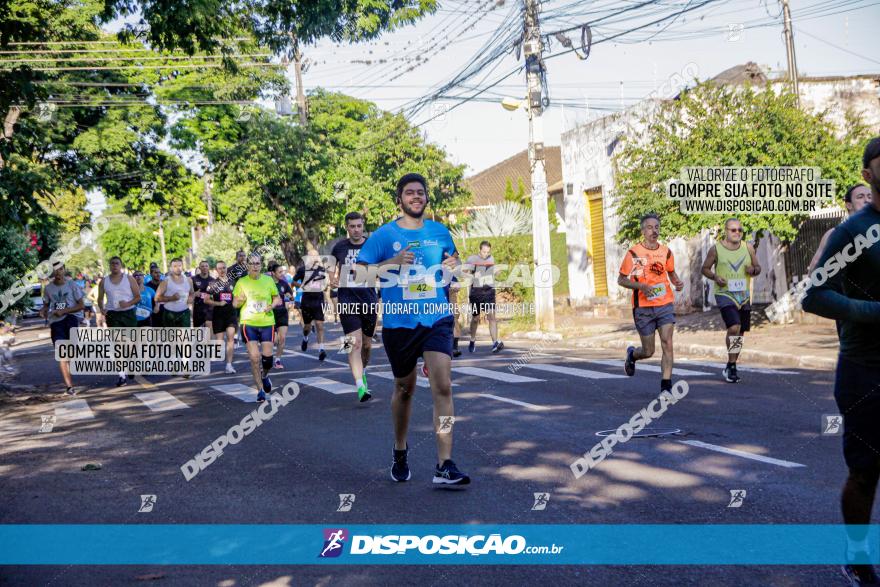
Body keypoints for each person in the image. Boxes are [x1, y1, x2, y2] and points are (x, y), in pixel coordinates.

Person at [357, 172, 470, 486]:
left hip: (436, 317)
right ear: (400, 200)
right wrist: (392, 261)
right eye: (410, 193)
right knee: (404, 390)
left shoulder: (440, 231)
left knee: (443, 386)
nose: (416, 197)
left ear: (426, 198)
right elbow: (360, 275)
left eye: (420, 192)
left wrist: (455, 267)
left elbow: (455, 265)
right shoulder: (382, 235)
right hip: (399, 321)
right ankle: (400, 448)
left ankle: (444, 464)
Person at [802, 137, 880, 586]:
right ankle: (857, 555)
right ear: (867, 174)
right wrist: (872, 312)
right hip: (866, 369)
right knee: (866, 471)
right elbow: (814, 294)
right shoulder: (851, 232)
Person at [618, 213, 684, 392]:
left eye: (656, 227)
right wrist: (640, 286)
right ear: (643, 231)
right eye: (649, 227)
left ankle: (666, 385)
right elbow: (621, 280)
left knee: (667, 342)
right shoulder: (633, 253)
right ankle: (632, 355)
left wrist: (677, 282)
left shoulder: (666, 252)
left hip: (664, 304)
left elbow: (671, 272)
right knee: (649, 351)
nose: (654, 231)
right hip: (643, 308)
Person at [700, 218, 761, 383]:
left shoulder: (748, 248)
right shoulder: (716, 249)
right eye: (733, 230)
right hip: (724, 293)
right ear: (726, 231)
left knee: (740, 333)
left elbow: (758, 268)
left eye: (740, 230)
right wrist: (714, 277)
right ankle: (732, 364)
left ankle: (731, 364)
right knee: (734, 326)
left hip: (743, 295)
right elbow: (704, 269)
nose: (737, 233)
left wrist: (753, 270)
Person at [331, 212, 379, 401]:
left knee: (366, 345)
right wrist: (332, 279)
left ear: (363, 226)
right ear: (347, 227)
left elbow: (380, 270)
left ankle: (363, 371)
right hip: (347, 301)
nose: (356, 229)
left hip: (368, 300)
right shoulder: (339, 247)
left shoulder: (372, 245)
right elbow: (332, 270)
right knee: (353, 344)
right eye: (352, 226)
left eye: (359, 226)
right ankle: (360, 387)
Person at [232, 253, 281, 402]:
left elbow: (277, 297)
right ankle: (260, 390)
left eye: (258, 263)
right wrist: (240, 300)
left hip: (267, 322)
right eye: (252, 263)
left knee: (267, 360)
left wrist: (271, 305)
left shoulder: (268, 280)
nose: (255, 266)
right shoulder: (241, 282)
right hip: (249, 323)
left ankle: (265, 375)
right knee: (254, 357)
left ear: (261, 265)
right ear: (247, 265)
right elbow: (234, 304)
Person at [808, 184, 873, 273]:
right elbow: (813, 271)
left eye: (870, 197)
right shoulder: (834, 234)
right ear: (849, 205)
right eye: (860, 197)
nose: (867, 200)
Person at [42, 264, 85, 395]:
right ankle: (69, 387)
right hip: (56, 323)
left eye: (60, 269)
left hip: (71, 319)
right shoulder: (48, 288)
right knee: (62, 355)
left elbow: (81, 305)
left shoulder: (72, 285)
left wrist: (64, 311)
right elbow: (46, 305)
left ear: (64, 270)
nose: (58, 272)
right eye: (55, 270)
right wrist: (43, 311)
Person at [97, 256, 139, 386]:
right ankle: (122, 375)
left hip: (128, 313)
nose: (114, 265)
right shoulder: (104, 281)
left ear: (121, 265)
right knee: (118, 345)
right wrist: (102, 309)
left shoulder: (129, 279)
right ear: (109, 266)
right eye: (112, 263)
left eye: (117, 263)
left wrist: (128, 303)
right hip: (113, 314)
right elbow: (99, 298)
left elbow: (138, 297)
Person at [465, 240, 503, 353]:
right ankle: (472, 340)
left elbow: (493, 272)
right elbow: (464, 272)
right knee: (476, 319)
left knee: (491, 316)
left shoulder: (491, 259)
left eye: (488, 252)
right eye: (484, 252)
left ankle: (495, 343)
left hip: (489, 291)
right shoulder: (472, 259)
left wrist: (497, 272)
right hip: (476, 292)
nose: (486, 254)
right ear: (480, 250)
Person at [293, 250, 328, 361]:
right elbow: (293, 282)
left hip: (318, 301)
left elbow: (325, 286)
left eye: (316, 255)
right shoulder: (302, 270)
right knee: (307, 327)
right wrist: (303, 285)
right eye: (312, 256)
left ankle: (321, 349)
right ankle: (305, 337)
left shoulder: (322, 270)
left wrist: (325, 291)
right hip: (307, 302)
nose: (314, 258)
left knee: (319, 325)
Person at [204, 260, 237, 374]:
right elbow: (206, 300)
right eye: (220, 268)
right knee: (219, 340)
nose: (222, 270)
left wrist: (237, 303)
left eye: (224, 267)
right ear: (216, 270)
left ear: (226, 268)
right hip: (218, 315)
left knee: (231, 338)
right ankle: (217, 355)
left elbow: (237, 296)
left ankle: (229, 365)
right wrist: (218, 303)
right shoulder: (213, 284)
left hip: (231, 315)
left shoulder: (233, 282)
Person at [268, 261, 294, 370]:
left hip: (282, 312)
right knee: (274, 340)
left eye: (282, 272)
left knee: (282, 338)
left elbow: (290, 295)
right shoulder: (267, 284)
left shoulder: (284, 283)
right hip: (271, 314)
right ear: (273, 273)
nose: (282, 274)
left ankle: (277, 360)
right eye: (279, 272)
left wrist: (290, 296)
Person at [155, 258, 194, 328]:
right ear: (171, 268)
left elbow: (192, 293)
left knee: (185, 337)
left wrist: (191, 299)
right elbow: (156, 298)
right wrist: (171, 298)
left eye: (179, 266)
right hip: (170, 313)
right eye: (175, 266)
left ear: (182, 266)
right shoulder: (166, 281)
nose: (178, 268)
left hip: (184, 312)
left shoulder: (189, 280)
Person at [192, 260, 215, 331]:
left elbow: (215, 296)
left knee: (208, 331)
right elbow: (188, 293)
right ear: (199, 268)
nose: (204, 268)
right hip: (197, 309)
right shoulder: (193, 279)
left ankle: (208, 342)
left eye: (206, 266)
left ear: (209, 268)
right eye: (202, 266)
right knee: (197, 332)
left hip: (209, 309)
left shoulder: (213, 280)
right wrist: (194, 294)